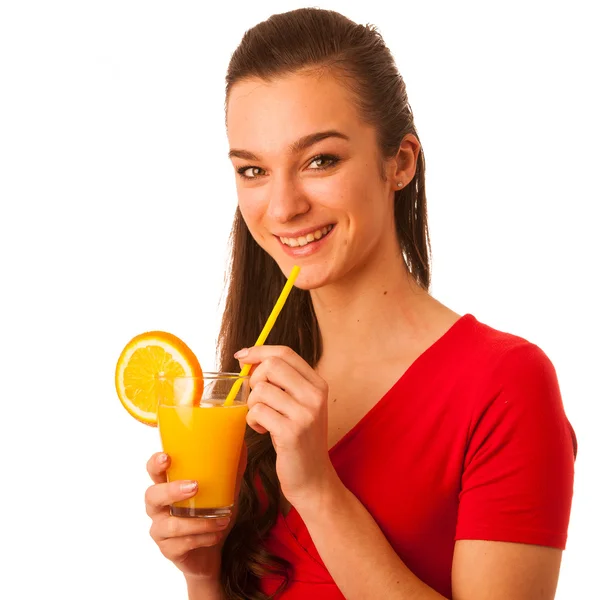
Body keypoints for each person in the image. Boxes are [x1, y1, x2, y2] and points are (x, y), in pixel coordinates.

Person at [143, 8, 576, 600]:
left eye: (320, 160)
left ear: (399, 162)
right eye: (253, 170)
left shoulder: (506, 385)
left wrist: (320, 492)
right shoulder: (252, 390)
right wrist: (204, 572)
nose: (283, 206)